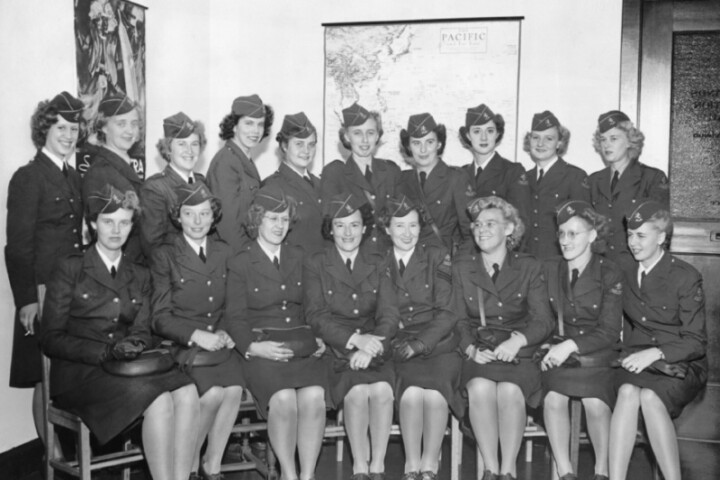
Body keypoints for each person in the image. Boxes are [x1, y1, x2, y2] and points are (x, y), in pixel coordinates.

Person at [41, 185, 199, 480]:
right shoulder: (71, 268)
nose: (116, 230)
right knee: (161, 400)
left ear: (132, 226)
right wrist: (104, 353)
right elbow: (50, 338)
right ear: (91, 224)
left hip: (126, 368)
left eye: (124, 222)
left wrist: (137, 342)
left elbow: (143, 328)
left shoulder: (139, 273)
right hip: (82, 374)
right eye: (107, 221)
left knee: (188, 391)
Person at [225, 184, 328, 480]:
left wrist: (318, 337)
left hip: (299, 345)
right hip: (262, 348)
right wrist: (252, 347)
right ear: (257, 220)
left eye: (284, 220)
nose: (279, 226)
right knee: (283, 399)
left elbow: (313, 307)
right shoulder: (241, 261)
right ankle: (289, 474)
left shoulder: (299, 256)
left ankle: (307, 475)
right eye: (272, 218)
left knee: (314, 397)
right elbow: (234, 317)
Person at [5, 91, 85, 452]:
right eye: (61, 128)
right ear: (45, 130)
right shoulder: (29, 177)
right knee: (43, 377)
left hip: (70, 294)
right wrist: (26, 301)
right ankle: (51, 457)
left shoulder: (72, 177)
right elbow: (17, 248)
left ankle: (66, 456)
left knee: (63, 374)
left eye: (74, 128)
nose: (69, 135)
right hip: (40, 295)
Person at [453, 196, 554, 480]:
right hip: (481, 351)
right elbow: (457, 319)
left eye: (491, 224)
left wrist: (518, 340)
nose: (482, 230)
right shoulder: (462, 267)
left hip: (518, 353)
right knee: (480, 388)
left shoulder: (529, 267)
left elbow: (543, 320)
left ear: (509, 229)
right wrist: (470, 349)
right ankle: (490, 468)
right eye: (477, 225)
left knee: (510, 391)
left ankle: (508, 470)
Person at [150, 183, 244, 479]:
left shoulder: (224, 251)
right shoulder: (164, 254)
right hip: (183, 347)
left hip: (219, 344)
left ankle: (212, 465)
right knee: (214, 393)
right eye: (190, 214)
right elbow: (160, 318)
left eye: (204, 214)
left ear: (213, 216)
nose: (198, 221)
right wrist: (196, 335)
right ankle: (188, 465)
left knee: (234, 389)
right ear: (178, 217)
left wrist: (228, 331)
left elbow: (234, 304)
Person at [304, 194, 400, 480]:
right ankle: (359, 466)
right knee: (357, 393)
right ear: (330, 229)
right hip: (338, 350)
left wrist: (372, 345)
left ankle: (378, 466)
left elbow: (390, 315)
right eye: (340, 226)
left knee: (382, 391)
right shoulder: (316, 263)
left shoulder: (379, 261)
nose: (348, 233)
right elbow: (316, 316)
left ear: (364, 228)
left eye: (354, 225)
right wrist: (354, 341)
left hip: (375, 346)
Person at [609, 201, 707, 480]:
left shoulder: (685, 276)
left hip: (681, 364)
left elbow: (696, 342)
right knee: (627, 392)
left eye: (641, 235)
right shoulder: (624, 270)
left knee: (651, 398)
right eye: (630, 234)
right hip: (636, 359)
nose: (632, 242)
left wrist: (656, 353)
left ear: (662, 237)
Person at [379, 196, 461, 480]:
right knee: (412, 395)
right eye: (399, 226)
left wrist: (420, 344)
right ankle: (411, 464)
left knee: (436, 395)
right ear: (387, 229)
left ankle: (430, 464)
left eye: (412, 225)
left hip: (438, 344)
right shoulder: (377, 259)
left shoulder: (437, 255)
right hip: (398, 344)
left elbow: (448, 312)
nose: (407, 232)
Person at [540, 201, 623, 480]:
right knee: (552, 399)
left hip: (597, 354)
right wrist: (549, 345)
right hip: (559, 352)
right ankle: (565, 472)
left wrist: (570, 346)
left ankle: (602, 471)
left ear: (592, 236)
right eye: (561, 233)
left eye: (573, 234)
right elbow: (542, 317)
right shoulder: (550, 269)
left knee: (594, 403)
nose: (565, 241)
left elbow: (610, 330)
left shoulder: (608, 271)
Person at [587, 111, 669, 268]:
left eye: (614, 138)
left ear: (630, 142)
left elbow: (659, 231)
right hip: (600, 268)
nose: (606, 145)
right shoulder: (593, 180)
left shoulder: (652, 178)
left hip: (635, 267)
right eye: (603, 139)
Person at [321, 103, 401, 253]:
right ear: (346, 136)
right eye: (357, 133)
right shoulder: (335, 174)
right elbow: (329, 229)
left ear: (377, 135)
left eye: (370, 133)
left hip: (387, 258)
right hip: (354, 259)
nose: (365, 140)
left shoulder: (391, 171)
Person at [398, 113, 475, 254]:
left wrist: (462, 266)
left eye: (429, 142)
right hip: (412, 263)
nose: (423, 150)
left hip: (443, 263)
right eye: (416, 143)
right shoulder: (403, 180)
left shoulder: (455, 178)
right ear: (409, 147)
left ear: (439, 144)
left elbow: (469, 231)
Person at [82, 93, 145, 263]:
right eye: (121, 123)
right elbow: (103, 235)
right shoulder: (99, 172)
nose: (129, 131)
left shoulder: (124, 164)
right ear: (103, 127)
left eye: (134, 124)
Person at [206, 94, 274, 252]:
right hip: (235, 255)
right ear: (234, 126)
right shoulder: (225, 162)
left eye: (260, 124)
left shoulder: (243, 159)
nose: (255, 131)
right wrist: (249, 258)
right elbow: (228, 227)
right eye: (249, 123)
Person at [523, 111, 590, 259]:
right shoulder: (523, 178)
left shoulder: (575, 176)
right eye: (535, 138)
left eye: (549, 138)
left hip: (558, 263)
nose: (540, 144)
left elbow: (583, 228)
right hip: (525, 264)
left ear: (559, 143)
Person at [140, 111, 207, 258]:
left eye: (194, 144)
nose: (189, 151)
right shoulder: (154, 188)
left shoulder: (202, 183)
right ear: (169, 149)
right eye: (182, 144)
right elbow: (153, 247)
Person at [263, 112, 325, 255]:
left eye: (311, 144)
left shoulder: (320, 183)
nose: (306, 150)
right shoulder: (272, 187)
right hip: (295, 271)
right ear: (284, 146)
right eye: (299, 144)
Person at [459, 103, 530, 225]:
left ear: (497, 134)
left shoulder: (512, 172)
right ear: (468, 136)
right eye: (477, 131)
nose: (484, 137)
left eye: (490, 131)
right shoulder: (461, 174)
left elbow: (520, 223)